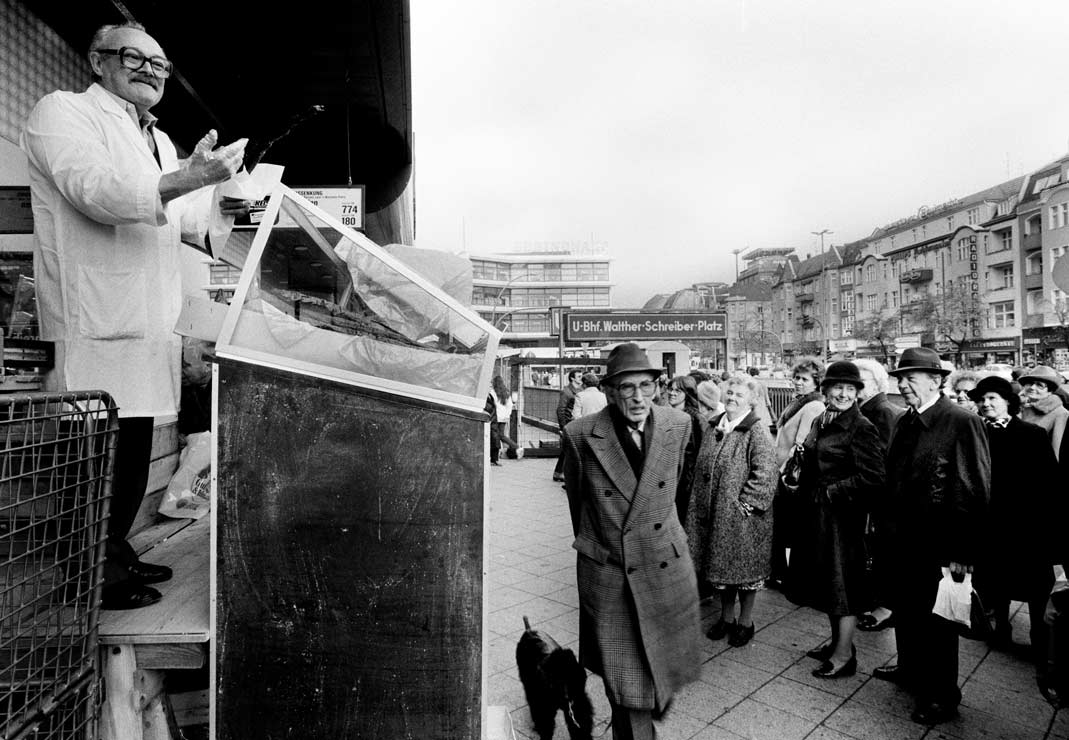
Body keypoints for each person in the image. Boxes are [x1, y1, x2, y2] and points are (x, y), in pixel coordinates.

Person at [21, 22, 248, 610]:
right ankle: (88, 574)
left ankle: (113, 553)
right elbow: (96, 189)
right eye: (134, 57)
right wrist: (185, 179)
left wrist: (224, 196)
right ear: (98, 62)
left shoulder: (161, 141)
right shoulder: (63, 112)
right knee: (94, 456)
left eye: (160, 64)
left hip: (149, 325)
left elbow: (185, 220)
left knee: (133, 451)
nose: (150, 70)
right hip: (94, 316)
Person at [562, 343, 702, 740]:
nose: (639, 397)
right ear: (609, 391)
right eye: (627, 387)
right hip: (612, 572)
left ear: (658, 386)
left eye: (646, 385)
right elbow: (579, 507)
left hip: (665, 564)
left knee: (661, 673)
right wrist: (604, 547)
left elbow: (676, 489)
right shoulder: (580, 435)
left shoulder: (679, 424)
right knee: (625, 681)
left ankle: (642, 714)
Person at [874, 347, 990, 726]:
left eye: (911, 378)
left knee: (938, 623)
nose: (903, 385)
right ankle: (909, 668)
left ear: (936, 380)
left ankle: (942, 695)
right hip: (902, 539)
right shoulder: (907, 421)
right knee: (906, 608)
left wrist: (963, 550)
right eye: (899, 378)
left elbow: (974, 488)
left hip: (939, 542)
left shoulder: (960, 421)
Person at [787, 362, 884, 679]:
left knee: (843, 586)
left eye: (850, 389)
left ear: (858, 393)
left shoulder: (862, 427)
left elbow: (873, 477)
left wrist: (832, 492)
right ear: (826, 390)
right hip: (818, 515)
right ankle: (838, 644)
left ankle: (844, 656)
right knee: (829, 583)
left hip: (843, 519)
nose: (843, 394)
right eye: (837, 388)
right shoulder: (822, 419)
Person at [968, 376, 1060, 676]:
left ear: (1008, 401)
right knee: (997, 580)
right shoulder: (976, 433)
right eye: (982, 399)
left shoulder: (1031, 434)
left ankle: (1040, 641)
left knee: (1035, 585)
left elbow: (1050, 484)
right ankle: (1000, 629)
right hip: (993, 524)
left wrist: (1046, 525)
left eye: (993, 398)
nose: (986, 404)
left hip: (1027, 526)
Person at [686, 374, 778, 649]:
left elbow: (766, 474)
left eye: (739, 395)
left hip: (743, 521)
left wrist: (744, 506)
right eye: (729, 394)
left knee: (746, 576)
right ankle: (726, 618)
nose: (732, 398)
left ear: (752, 400)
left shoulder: (755, 432)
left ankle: (745, 622)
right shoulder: (715, 425)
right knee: (722, 572)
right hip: (715, 516)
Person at [852, 358, 904, 634]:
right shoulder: (870, 409)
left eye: (861, 381)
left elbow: (878, 461)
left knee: (878, 552)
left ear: (876, 383)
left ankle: (883, 607)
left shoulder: (881, 412)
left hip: (877, 500)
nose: (856, 387)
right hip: (871, 497)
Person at [770, 357, 826, 588]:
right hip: (780, 472)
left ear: (816, 382)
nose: (798, 382)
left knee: (786, 527)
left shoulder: (813, 406)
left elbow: (800, 446)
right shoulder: (800, 402)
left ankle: (785, 575)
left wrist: (783, 474)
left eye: (804, 379)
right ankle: (781, 573)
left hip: (788, 478)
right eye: (796, 377)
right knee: (783, 527)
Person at [665, 374, 704, 524]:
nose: (672, 393)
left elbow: (702, 452)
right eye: (670, 389)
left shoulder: (696, 419)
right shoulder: (667, 415)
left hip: (686, 480)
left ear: (687, 394)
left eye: (678, 391)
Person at [1018, 365, 1068, 460]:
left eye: (1039, 385)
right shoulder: (1019, 407)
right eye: (1030, 383)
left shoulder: (1060, 413)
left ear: (1050, 391)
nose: (1032, 387)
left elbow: (1056, 452)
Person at [552, 369, 583, 482]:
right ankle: (560, 472)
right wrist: (563, 426)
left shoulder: (577, 390)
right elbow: (561, 410)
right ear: (572, 378)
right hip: (569, 424)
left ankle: (558, 472)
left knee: (567, 449)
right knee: (568, 449)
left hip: (573, 423)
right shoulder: (567, 392)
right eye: (579, 376)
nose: (581, 378)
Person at [490, 375, 519, 464]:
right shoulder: (506, 393)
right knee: (500, 436)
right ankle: (515, 447)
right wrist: (507, 415)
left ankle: (515, 447)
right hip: (503, 418)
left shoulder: (492, 392)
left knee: (495, 437)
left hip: (495, 418)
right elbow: (509, 405)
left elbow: (491, 404)